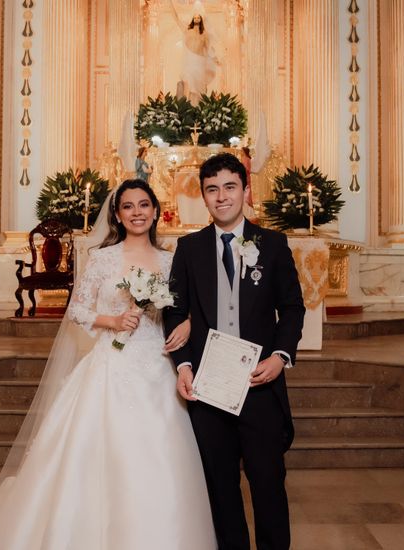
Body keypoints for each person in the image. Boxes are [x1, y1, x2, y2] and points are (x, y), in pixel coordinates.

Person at [0, 179, 217, 549]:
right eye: (129, 206)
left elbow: (188, 307)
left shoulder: (172, 259)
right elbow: (78, 310)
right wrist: (113, 321)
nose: (137, 213)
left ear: (155, 210)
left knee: (163, 451)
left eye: (144, 205)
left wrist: (188, 322)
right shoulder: (103, 258)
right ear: (117, 215)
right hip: (111, 364)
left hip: (157, 363)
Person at [165, 153, 305, 550]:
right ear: (203, 197)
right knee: (221, 491)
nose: (221, 197)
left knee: (268, 487)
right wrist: (184, 364)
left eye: (229, 187)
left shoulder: (273, 245)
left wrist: (280, 357)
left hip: (259, 385)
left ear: (245, 190)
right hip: (209, 387)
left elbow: (293, 307)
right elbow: (175, 308)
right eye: (212, 190)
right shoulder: (189, 248)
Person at [169, 1, 220, 102]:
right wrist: (171, 5)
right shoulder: (188, 31)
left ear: (201, 20)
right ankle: (186, 108)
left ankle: (198, 110)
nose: (197, 19)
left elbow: (209, 49)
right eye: (195, 17)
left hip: (200, 63)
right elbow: (176, 19)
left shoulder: (204, 35)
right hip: (190, 62)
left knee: (199, 89)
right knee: (188, 85)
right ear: (192, 19)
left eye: (198, 17)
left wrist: (215, 59)